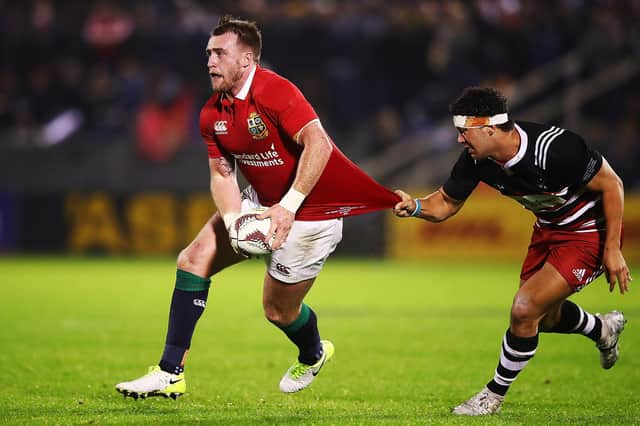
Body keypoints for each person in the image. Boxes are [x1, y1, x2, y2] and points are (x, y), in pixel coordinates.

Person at [115, 15, 399, 399]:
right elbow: (221, 175)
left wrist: (288, 206)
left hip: (310, 213)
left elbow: (320, 145)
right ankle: (170, 373)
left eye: (220, 53)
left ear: (246, 59)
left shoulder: (276, 91)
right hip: (259, 204)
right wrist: (234, 221)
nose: (210, 61)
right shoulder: (211, 113)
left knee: (277, 311)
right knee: (192, 259)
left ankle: (313, 352)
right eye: (208, 53)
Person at [394, 87, 632, 416]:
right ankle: (601, 329)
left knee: (524, 310)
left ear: (489, 129)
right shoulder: (477, 160)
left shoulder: (555, 148)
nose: (460, 140)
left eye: (464, 132)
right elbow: (446, 204)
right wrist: (415, 205)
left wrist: (612, 249)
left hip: (588, 232)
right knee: (541, 319)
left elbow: (612, 184)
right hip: (548, 229)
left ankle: (492, 397)